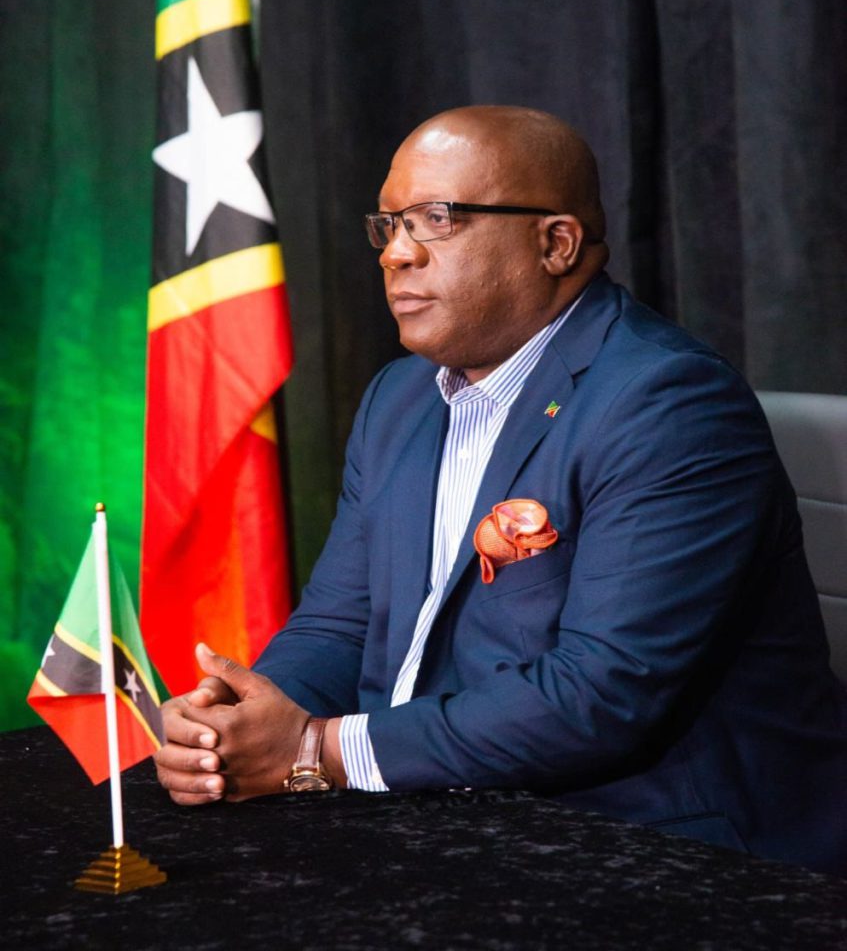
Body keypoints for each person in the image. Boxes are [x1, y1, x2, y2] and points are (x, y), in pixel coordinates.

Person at [155, 105, 847, 874]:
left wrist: (317, 748)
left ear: (555, 243)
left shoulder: (667, 404)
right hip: (438, 814)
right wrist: (238, 723)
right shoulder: (398, 399)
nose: (397, 254)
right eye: (389, 225)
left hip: (655, 844)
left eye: (436, 220)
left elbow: (600, 695)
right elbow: (340, 626)